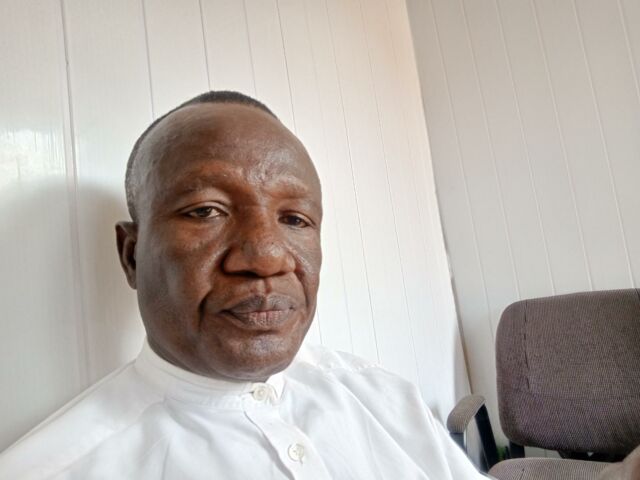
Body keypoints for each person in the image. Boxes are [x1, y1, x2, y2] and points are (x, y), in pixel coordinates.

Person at [0, 91, 635, 479]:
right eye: (207, 210)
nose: (267, 258)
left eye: (295, 219)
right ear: (132, 255)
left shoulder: (379, 395)